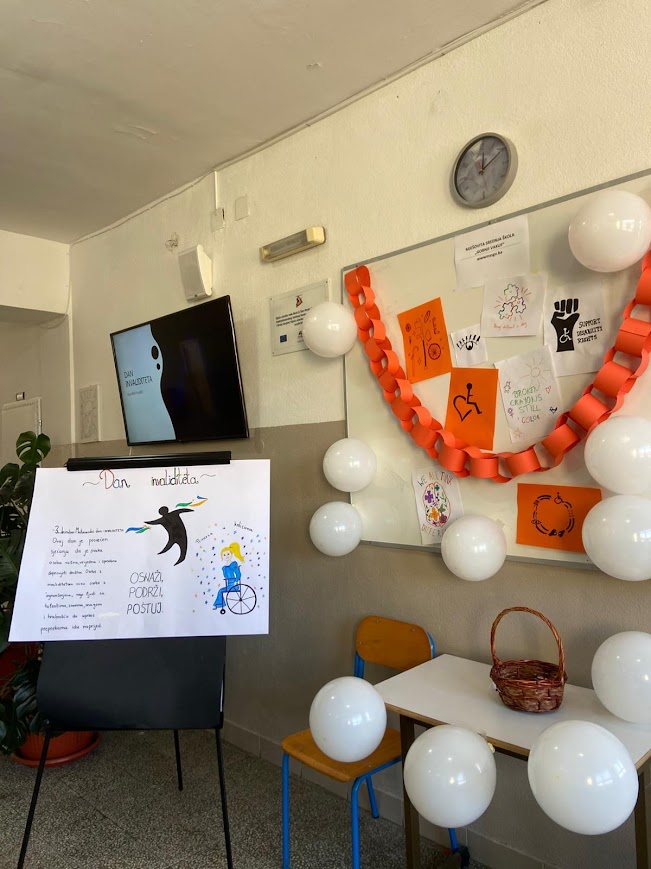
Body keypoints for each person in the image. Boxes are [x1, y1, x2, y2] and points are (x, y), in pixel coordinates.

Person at [213, 542, 245, 612]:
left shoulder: (233, 564)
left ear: (231, 554)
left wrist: (236, 581)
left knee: (221, 591)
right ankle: (219, 605)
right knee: (220, 591)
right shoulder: (224, 567)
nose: (226, 556)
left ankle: (219, 605)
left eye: (228, 554)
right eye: (224, 555)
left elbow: (238, 574)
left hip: (234, 585)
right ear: (222, 556)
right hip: (228, 585)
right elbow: (226, 576)